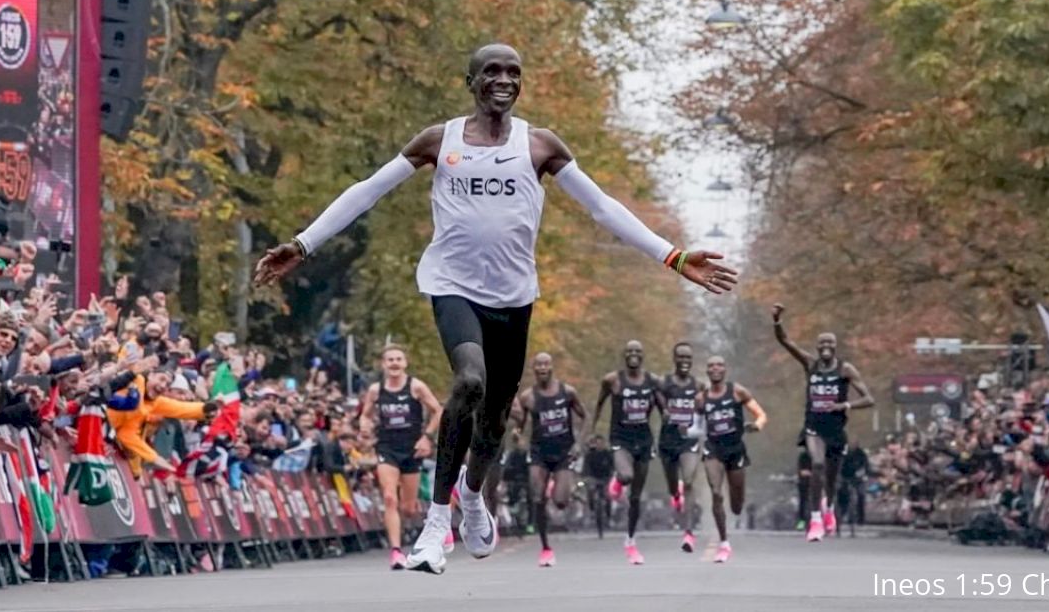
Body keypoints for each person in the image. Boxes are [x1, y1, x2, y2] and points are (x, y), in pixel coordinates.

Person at [252, 43, 737, 574]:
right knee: (469, 383)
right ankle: (437, 524)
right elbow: (367, 191)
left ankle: (472, 493)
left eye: (513, 72)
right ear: (471, 82)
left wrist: (672, 255)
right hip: (452, 285)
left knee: (495, 419)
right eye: (492, 71)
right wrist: (302, 245)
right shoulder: (440, 140)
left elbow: (602, 207)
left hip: (513, 297)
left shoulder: (541, 145)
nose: (503, 79)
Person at [772, 303, 874, 542]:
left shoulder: (845, 369)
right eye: (822, 343)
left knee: (831, 478)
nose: (825, 346)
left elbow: (869, 398)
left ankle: (828, 509)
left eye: (830, 343)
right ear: (817, 347)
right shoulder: (810, 364)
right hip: (813, 426)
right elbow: (786, 342)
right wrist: (777, 321)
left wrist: (844, 405)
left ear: (835, 347)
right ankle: (815, 518)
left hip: (835, 429)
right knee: (817, 465)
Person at [358, 344, 445, 570]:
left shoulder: (416, 386)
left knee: (408, 508)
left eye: (398, 359)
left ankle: (434, 528)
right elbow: (365, 415)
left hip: (411, 448)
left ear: (405, 363)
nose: (395, 363)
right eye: (390, 360)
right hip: (386, 447)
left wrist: (427, 437)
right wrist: (365, 427)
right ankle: (396, 551)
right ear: (384, 364)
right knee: (389, 497)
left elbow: (437, 410)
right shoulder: (376, 390)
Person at [508, 352, 586, 567]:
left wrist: (578, 443)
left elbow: (583, 416)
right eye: (538, 365)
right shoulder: (528, 397)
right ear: (534, 369)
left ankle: (558, 487)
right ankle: (545, 548)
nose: (542, 368)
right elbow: (520, 424)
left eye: (546, 364)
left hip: (562, 453)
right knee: (537, 497)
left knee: (561, 502)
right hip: (539, 452)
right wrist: (517, 433)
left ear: (552, 367)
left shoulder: (567, 392)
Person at [590, 340, 663, 565]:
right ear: (624, 355)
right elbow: (600, 404)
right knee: (626, 475)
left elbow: (663, 409)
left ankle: (630, 540)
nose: (633, 354)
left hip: (643, 440)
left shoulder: (652, 381)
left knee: (635, 497)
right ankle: (618, 479)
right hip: (620, 439)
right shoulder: (612, 380)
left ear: (643, 356)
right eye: (629, 351)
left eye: (637, 351)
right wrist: (592, 430)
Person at [697, 355, 767, 563]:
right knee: (716, 493)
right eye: (711, 366)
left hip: (735, 450)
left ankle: (735, 506)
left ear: (725, 370)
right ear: (707, 372)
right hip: (713, 450)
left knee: (737, 505)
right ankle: (724, 543)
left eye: (719, 365)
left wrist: (757, 425)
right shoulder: (701, 399)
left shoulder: (738, 391)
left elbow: (761, 414)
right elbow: (693, 425)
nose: (715, 368)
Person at [656, 341, 705, 552]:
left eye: (688, 358)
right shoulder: (664, 383)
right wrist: (664, 410)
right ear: (674, 359)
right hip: (668, 441)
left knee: (689, 480)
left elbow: (705, 412)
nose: (685, 361)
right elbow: (655, 400)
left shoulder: (699, 386)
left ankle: (688, 532)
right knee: (673, 486)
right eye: (681, 357)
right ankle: (675, 497)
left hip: (689, 441)